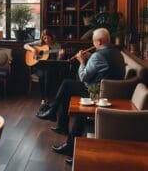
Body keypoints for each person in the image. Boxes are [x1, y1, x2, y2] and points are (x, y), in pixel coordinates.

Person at [38, 28, 125, 164]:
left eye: (94, 41)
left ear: (100, 41)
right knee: (68, 87)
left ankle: (54, 114)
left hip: (97, 93)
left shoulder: (99, 56)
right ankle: (60, 123)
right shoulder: (117, 53)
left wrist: (82, 61)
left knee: (67, 85)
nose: (93, 44)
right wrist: (90, 57)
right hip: (111, 92)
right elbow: (103, 66)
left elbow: (83, 76)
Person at [24, 29, 65, 115]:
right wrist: (33, 50)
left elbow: (58, 61)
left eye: (48, 38)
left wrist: (60, 56)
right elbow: (25, 45)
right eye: (44, 38)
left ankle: (44, 100)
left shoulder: (57, 46)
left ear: (51, 37)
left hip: (51, 68)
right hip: (38, 66)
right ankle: (46, 100)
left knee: (45, 74)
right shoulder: (40, 43)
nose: (46, 40)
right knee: (44, 74)